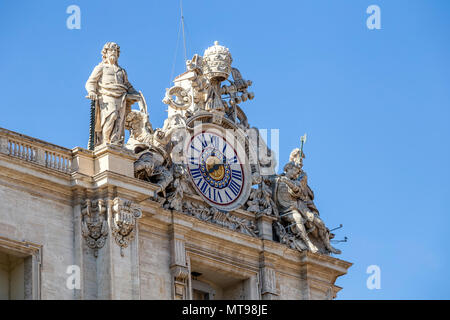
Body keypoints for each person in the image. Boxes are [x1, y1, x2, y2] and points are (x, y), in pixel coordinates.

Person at [85, 42, 141, 147]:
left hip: (122, 97)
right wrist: (92, 91)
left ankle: (115, 142)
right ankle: (105, 141)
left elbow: (128, 85)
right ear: (105, 53)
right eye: (111, 50)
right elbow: (90, 82)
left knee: (119, 120)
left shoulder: (121, 71)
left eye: (115, 51)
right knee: (111, 116)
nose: (113, 52)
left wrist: (135, 94)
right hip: (107, 95)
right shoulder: (101, 68)